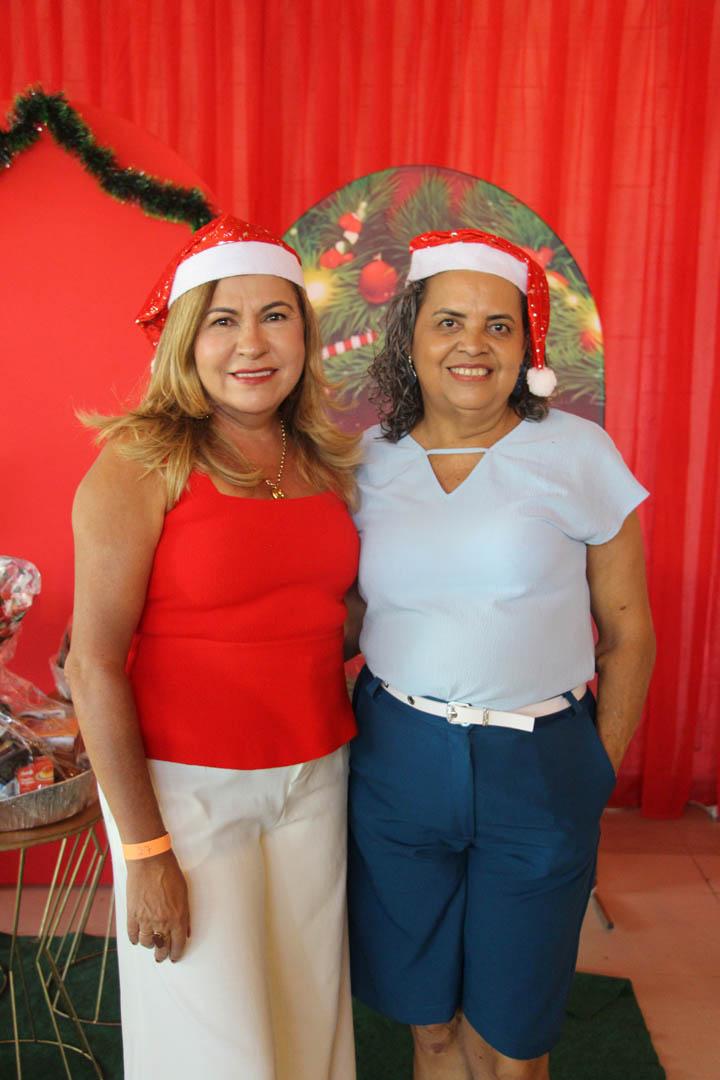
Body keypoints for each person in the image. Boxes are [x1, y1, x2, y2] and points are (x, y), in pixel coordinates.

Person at [346, 229, 656, 1080]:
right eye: (448, 321)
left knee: (512, 1045)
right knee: (430, 1029)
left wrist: (594, 770)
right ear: (411, 334)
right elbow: (345, 613)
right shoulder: (367, 462)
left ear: (527, 345)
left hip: (539, 764)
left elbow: (629, 634)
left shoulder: (578, 453)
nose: (472, 345)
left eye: (498, 325)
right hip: (397, 760)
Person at [67, 215, 360, 1080]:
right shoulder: (140, 461)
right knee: (213, 1047)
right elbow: (91, 664)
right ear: (187, 339)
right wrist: (146, 851)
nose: (252, 344)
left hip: (316, 775)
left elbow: (330, 614)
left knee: (308, 1018)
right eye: (224, 320)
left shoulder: (324, 459)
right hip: (186, 793)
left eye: (275, 315)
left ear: (304, 332)